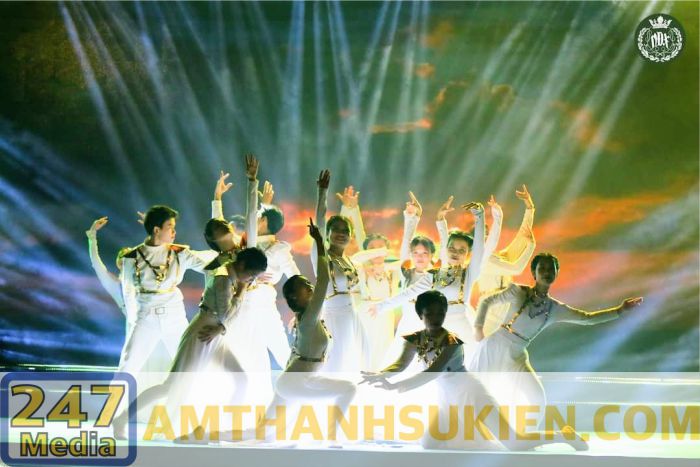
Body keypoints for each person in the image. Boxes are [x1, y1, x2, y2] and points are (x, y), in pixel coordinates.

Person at [361, 290, 588, 451]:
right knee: (430, 444)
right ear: (421, 315)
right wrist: (382, 375)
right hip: (448, 400)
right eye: (430, 313)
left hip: (472, 393)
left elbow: (433, 372)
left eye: (440, 313)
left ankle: (563, 435)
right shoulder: (413, 339)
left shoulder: (452, 342)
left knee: (514, 443)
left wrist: (395, 386)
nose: (436, 318)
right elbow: (399, 364)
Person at [469, 252, 644, 425]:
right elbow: (487, 301)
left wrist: (620, 311)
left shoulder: (555, 308)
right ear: (534, 273)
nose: (546, 272)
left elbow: (587, 318)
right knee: (477, 393)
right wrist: (478, 328)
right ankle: (468, 429)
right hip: (495, 346)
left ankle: (527, 435)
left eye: (550, 269)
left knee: (537, 398)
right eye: (542, 269)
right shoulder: (518, 291)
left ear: (556, 273)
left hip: (517, 356)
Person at [113, 247, 268, 439]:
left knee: (241, 378)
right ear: (242, 265)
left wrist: (222, 328)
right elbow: (225, 314)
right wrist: (240, 293)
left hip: (214, 333)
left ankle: (222, 428)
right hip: (204, 333)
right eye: (252, 275)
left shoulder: (227, 275)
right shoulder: (223, 279)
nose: (251, 280)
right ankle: (121, 419)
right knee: (169, 386)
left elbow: (225, 319)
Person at [212, 175, 299, 404]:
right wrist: (217, 199)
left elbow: (296, 278)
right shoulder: (244, 244)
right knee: (246, 356)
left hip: (263, 305)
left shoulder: (279, 249)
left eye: (260, 217)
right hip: (241, 306)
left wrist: (300, 311)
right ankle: (251, 404)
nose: (254, 220)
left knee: (283, 351)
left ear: (264, 222)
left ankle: (302, 395)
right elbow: (219, 230)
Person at [116, 204, 218, 377]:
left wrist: (237, 267)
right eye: (170, 227)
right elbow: (128, 292)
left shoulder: (179, 253)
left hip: (174, 317)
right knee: (128, 365)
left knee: (190, 364)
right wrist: (133, 320)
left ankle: (195, 395)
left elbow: (209, 267)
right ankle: (116, 396)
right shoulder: (131, 258)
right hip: (145, 318)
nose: (174, 232)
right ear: (156, 230)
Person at [312, 171, 386, 373]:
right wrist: (322, 192)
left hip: (352, 314)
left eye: (346, 231)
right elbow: (319, 225)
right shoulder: (321, 256)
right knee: (337, 362)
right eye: (336, 230)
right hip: (334, 316)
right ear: (328, 234)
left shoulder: (349, 260)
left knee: (366, 358)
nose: (341, 234)